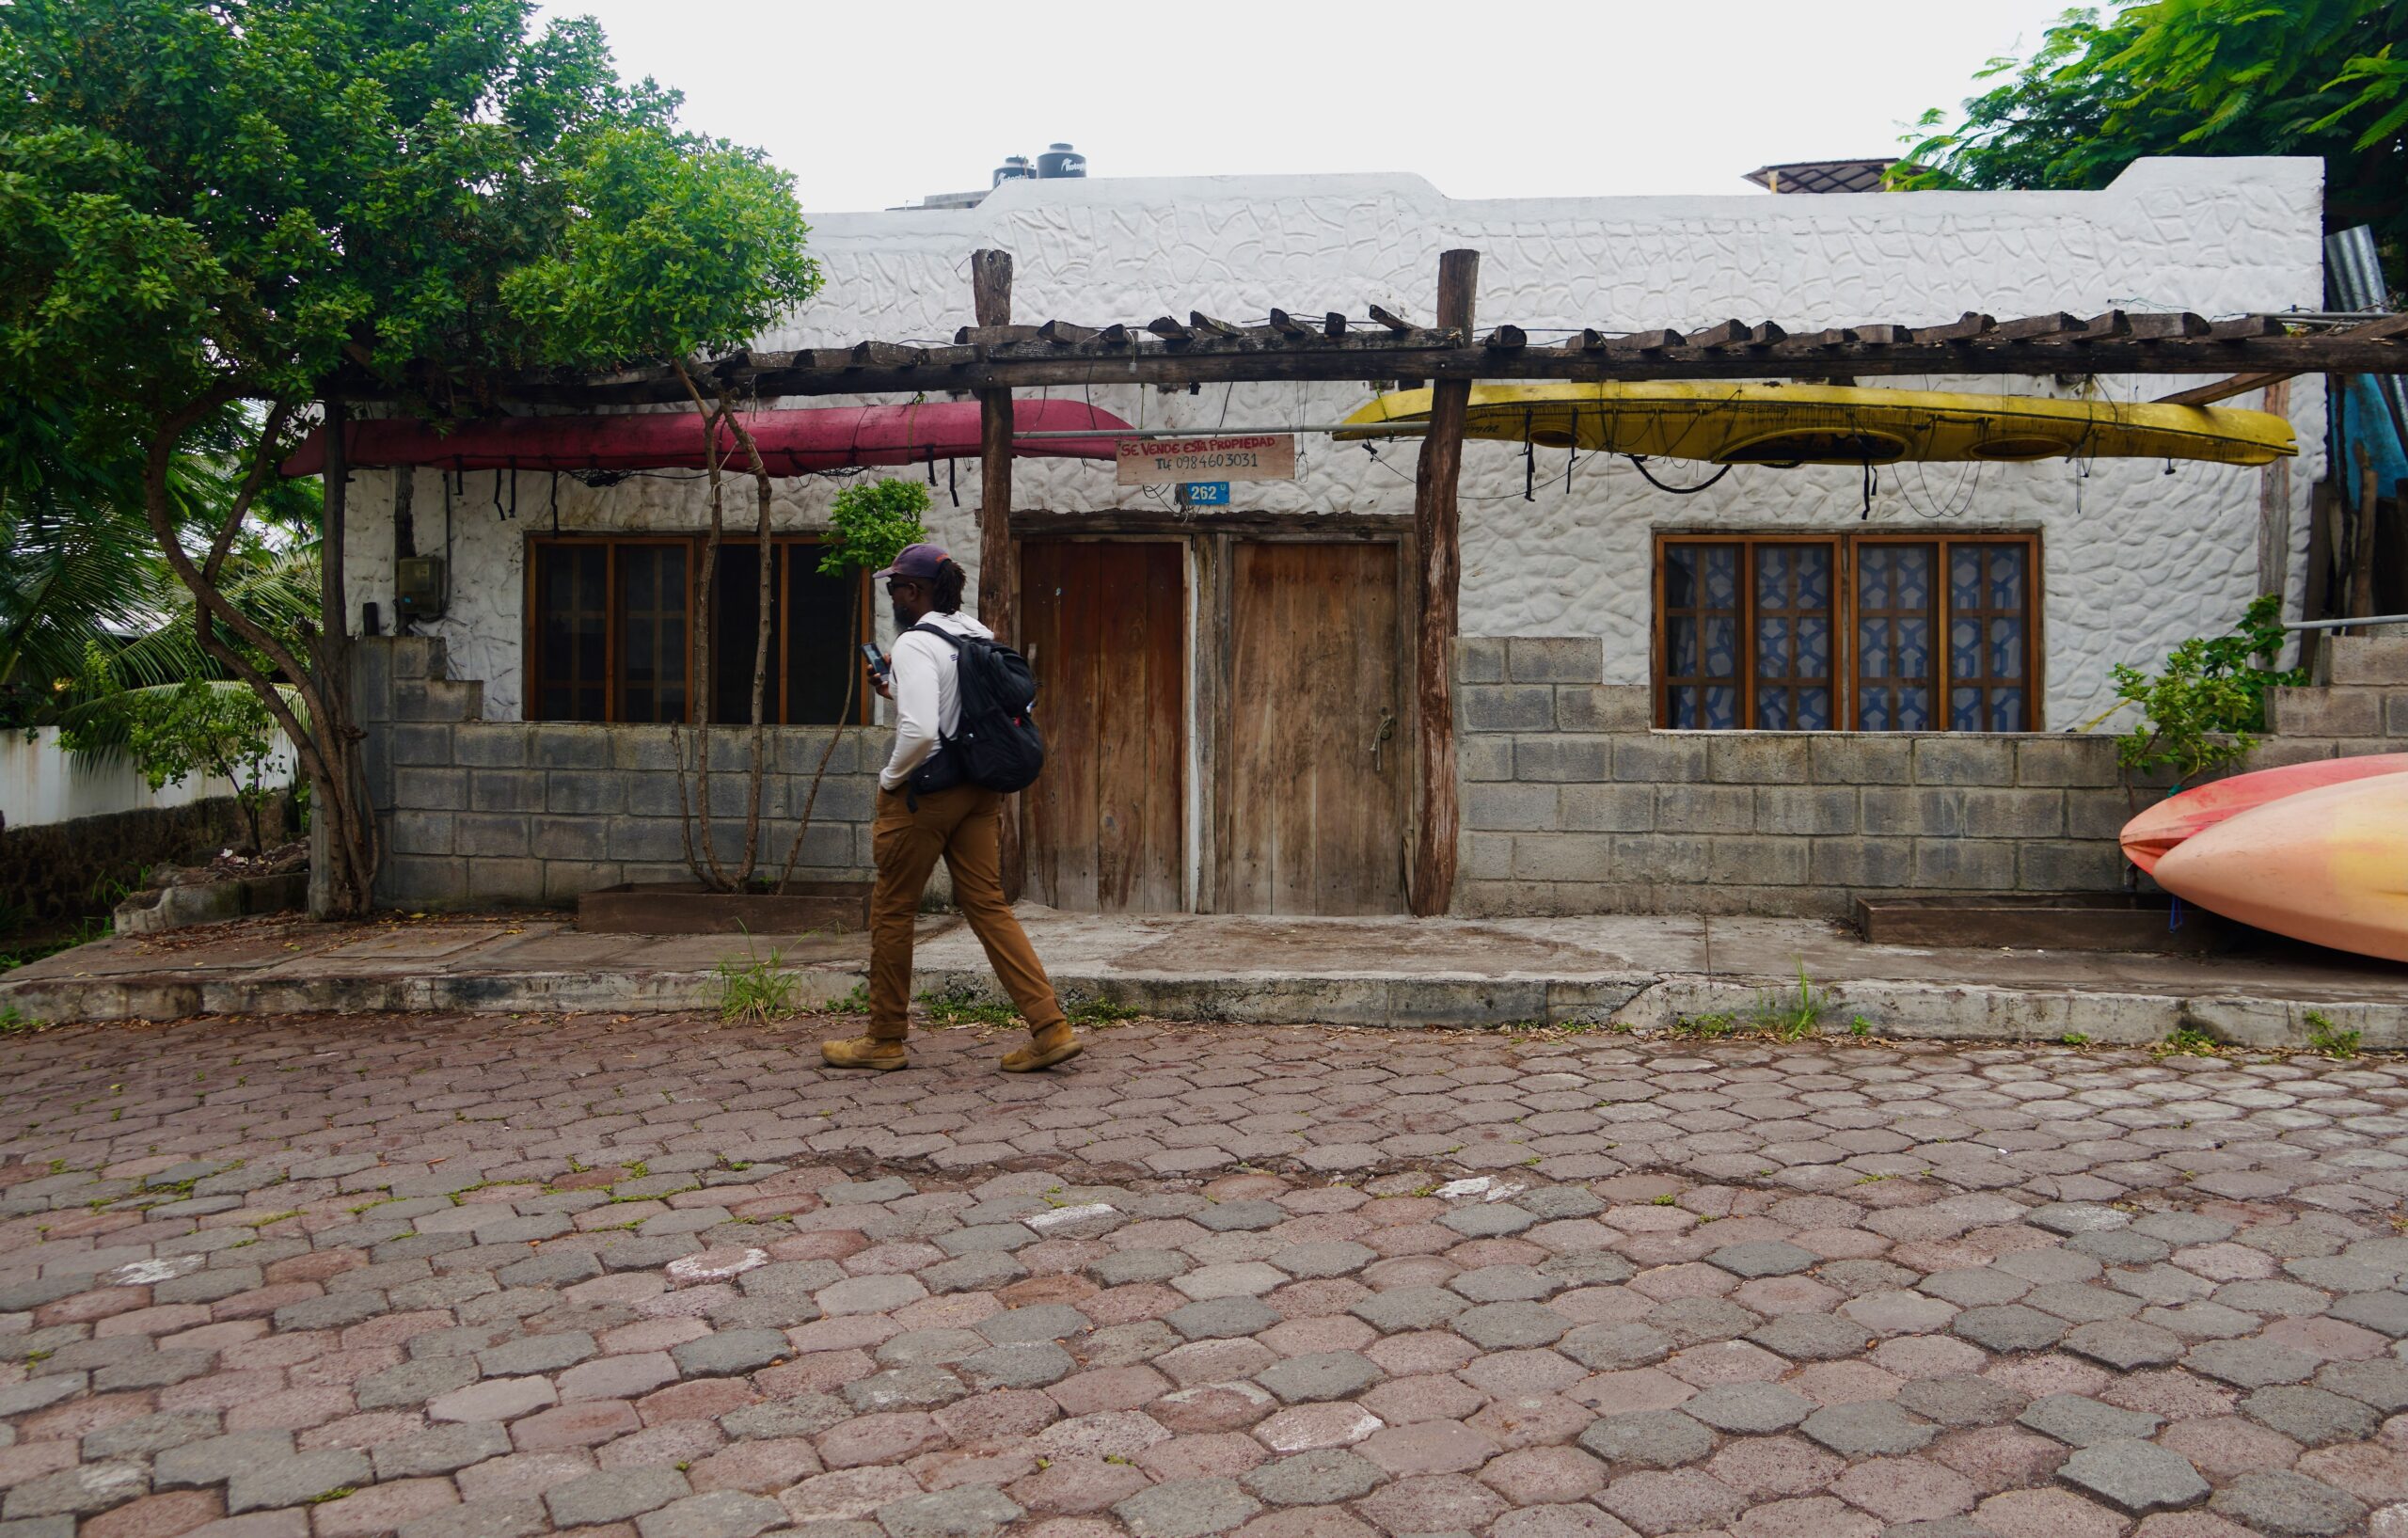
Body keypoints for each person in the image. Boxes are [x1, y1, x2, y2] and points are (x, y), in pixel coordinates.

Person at [820, 542, 1083, 1074]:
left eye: (895, 587)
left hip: (925, 792)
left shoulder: (917, 643)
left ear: (913, 592)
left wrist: (891, 779)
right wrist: (895, 690)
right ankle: (1050, 1026)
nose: (892, 595)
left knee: (893, 909)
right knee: (988, 905)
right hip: (979, 787)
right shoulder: (976, 632)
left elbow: (919, 731)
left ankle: (884, 1038)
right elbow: (963, 705)